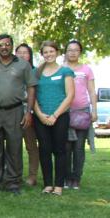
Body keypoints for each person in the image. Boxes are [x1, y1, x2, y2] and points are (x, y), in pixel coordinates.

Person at [0, 34, 37, 195]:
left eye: (7, 44)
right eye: (0, 45)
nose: (4, 47)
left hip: (15, 111)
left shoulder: (23, 65)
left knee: (14, 148)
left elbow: (31, 87)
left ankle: (13, 183)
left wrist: (28, 112)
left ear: (12, 46)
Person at [33, 41, 74, 196]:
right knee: (44, 150)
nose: (48, 54)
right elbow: (32, 95)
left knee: (59, 150)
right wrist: (39, 114)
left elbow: (70, 96)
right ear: (42, 54)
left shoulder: (65, 71)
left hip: (60, 116)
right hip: (41, 117)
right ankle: (48, 184)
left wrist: (55, 115)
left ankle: (59, 185)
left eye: (51, 51)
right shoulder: (36, 72)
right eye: (45, 52)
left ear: (57, 52)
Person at [62, 40, 96, 190]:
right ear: (65, 52)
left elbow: (91, 91)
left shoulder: (86, 70)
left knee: (79, 148)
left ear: (80, 52)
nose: (73, 52)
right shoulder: (61, 69)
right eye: (70, 50)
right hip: (65, 113)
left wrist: (94, 110)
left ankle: (76, 178)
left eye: (76, 50)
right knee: (66, 147)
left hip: (82, 112)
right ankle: (66, 177)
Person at [15, 43, 39, 185]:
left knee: (31, 146)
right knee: (14, 145)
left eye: (25, 52)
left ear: (30, 55)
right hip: (14, 112)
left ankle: (32, 176)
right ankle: (15, 175)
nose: (22, 55)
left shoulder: (35, 71)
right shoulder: (11, 70)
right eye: (19, 52)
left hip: (31, 113)